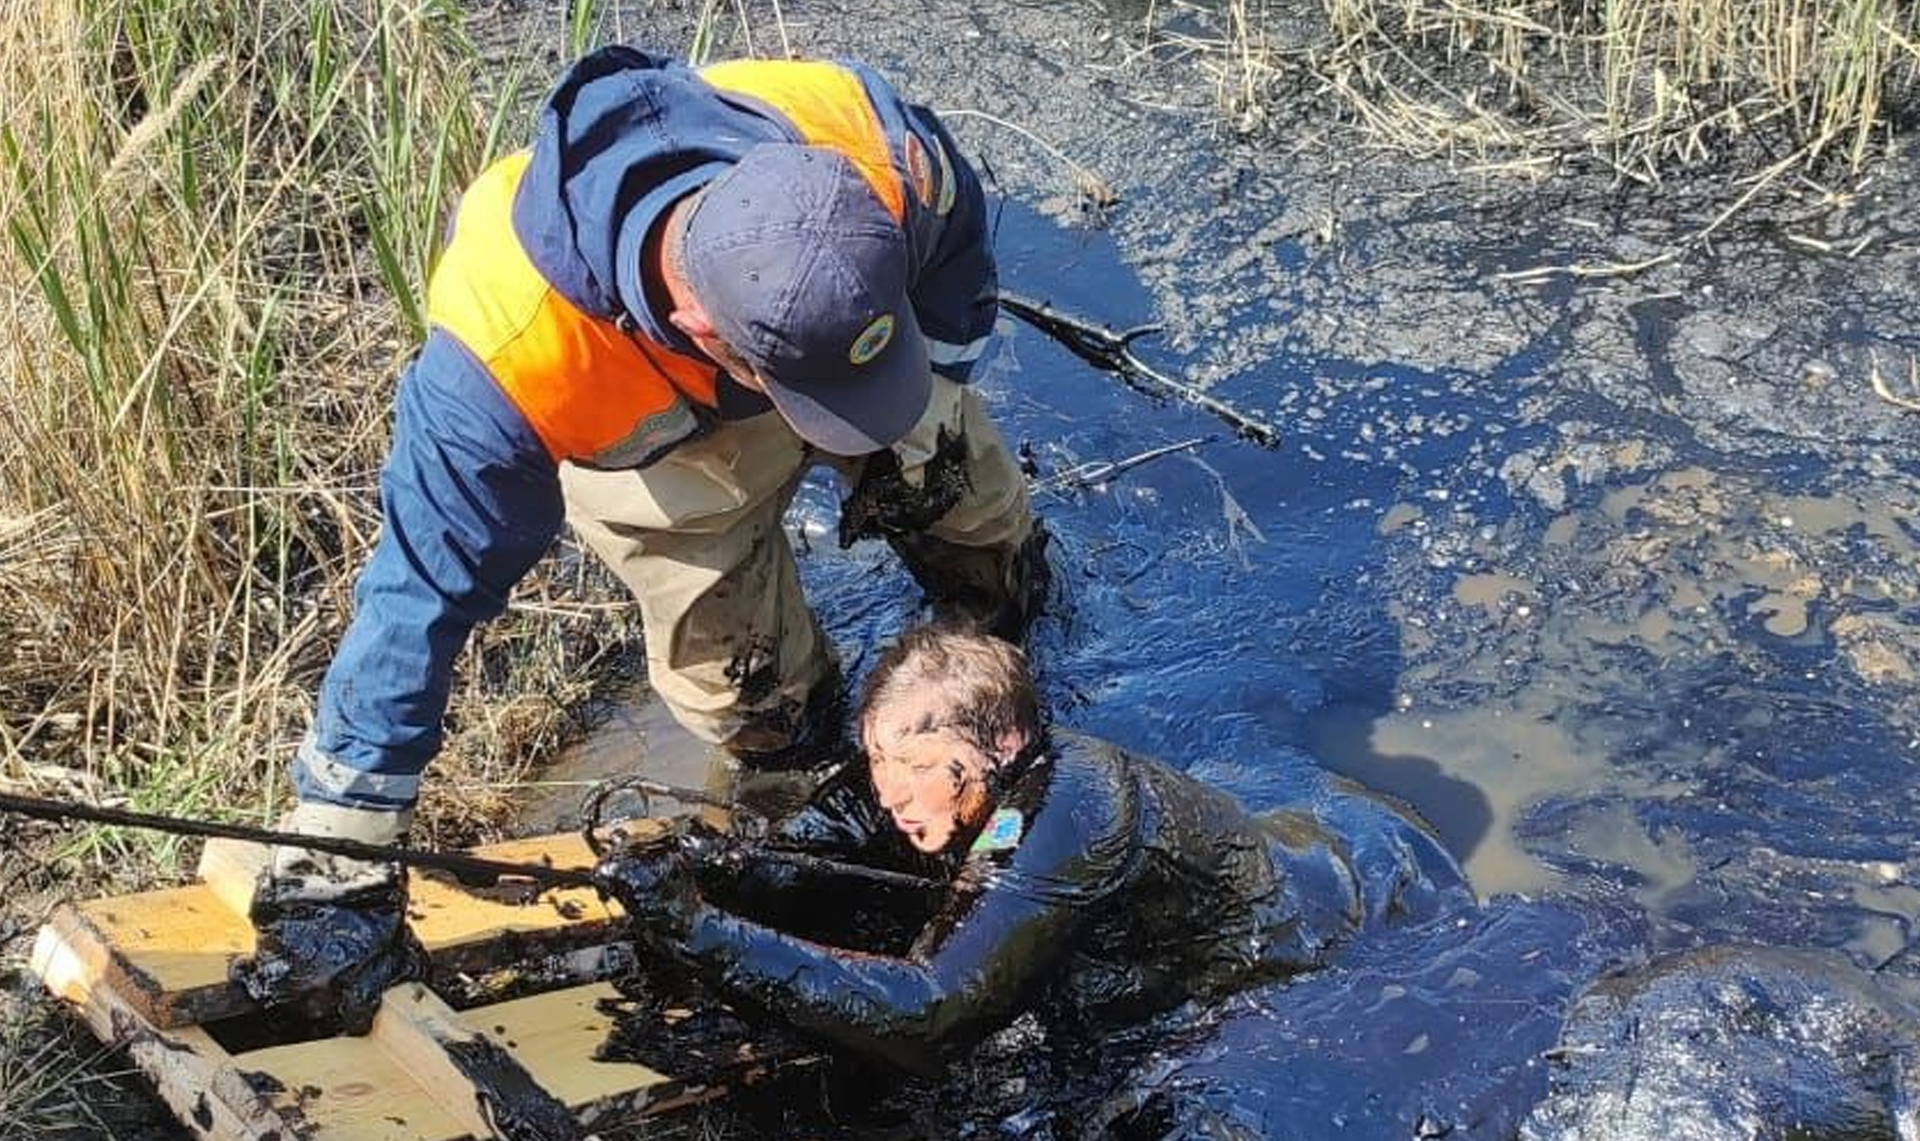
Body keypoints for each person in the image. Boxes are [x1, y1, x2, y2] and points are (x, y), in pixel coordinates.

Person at [232, 47, 1045, 1033]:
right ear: (702, 324)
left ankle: (1000, 636)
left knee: (971, 506)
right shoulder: (508, 353)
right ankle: (827, 790)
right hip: (654, 441)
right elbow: (419, 598)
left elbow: (953, 258)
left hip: (862, 337)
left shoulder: (871, 148)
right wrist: (340, 851)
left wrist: (930, 395)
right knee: (759, 698)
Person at [597, 627, 1475, 1077]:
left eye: (916, 769)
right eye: (877, 762)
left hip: (1346, 916)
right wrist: (725, 870)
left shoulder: (1071, 814)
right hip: (1292, 831)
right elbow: (818, 846)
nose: (891, 792)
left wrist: (696, 927)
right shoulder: (949, 766)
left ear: (1006, 741)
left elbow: (929, 1019)